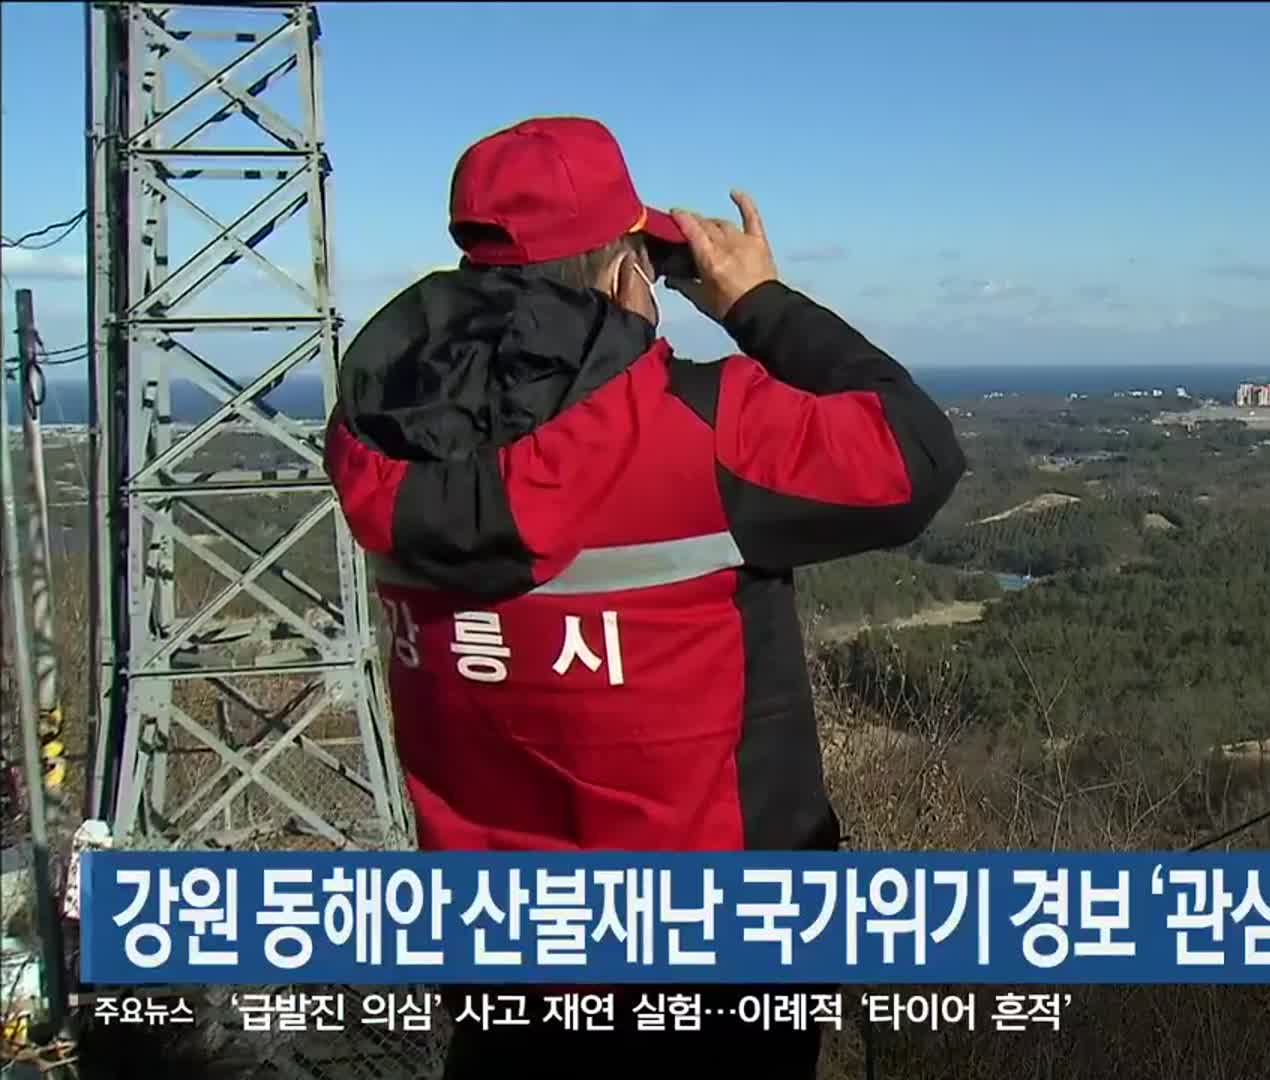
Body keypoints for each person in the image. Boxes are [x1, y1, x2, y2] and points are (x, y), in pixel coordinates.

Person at [322, 116, 965, 1075]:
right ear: (628, 270)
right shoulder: (707, 433)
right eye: (646, 268)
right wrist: (758, 301)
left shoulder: (378, 445)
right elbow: (918, 452)